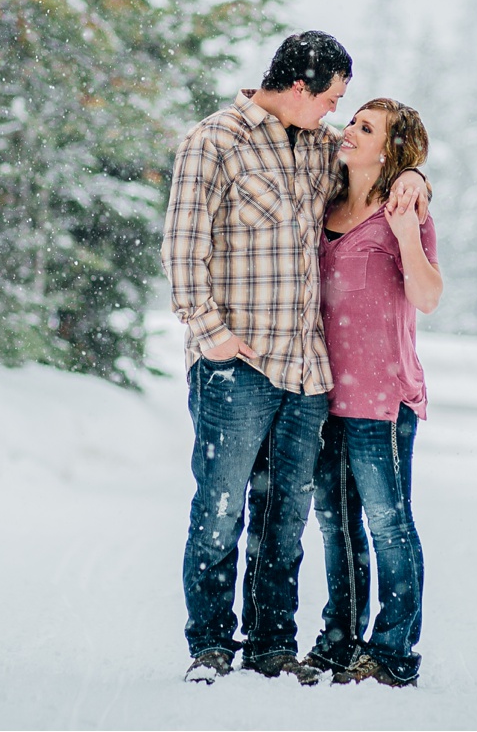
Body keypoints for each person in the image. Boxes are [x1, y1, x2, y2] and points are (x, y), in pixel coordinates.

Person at [161, 33, 430, 686]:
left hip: (306, 372)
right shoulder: (214, 140)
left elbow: (383, 160)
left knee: (285, 514)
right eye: (334, 96)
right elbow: (181, 246)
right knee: (222, 505)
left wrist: (417, 173)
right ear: (304, 87)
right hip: (235, 363)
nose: (338, 111)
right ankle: (211, 643)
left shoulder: (317, 143)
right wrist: (210, 331)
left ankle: (272, 642)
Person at [303, 98, 442, 688]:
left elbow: (429, 296)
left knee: (389, 525)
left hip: (381, 399)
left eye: (365, 127)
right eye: (352, 120)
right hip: (320, 396)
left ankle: (392, 652)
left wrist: (408, 231)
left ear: (389, 149)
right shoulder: (324, 198)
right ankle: (340, 639)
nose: (348, 131)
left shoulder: (404, 210)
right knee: (336, 525)